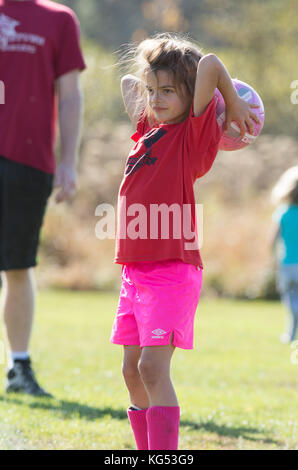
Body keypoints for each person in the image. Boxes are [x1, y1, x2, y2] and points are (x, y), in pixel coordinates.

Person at [110, 32, 260, 450]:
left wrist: (229, 102)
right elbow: (128, 85)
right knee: (131, 372)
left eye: (168, 92)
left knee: (152, 369)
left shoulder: (191, 139)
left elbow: (210, 63)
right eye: (153, 90)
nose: (155, 99)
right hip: (135, 273)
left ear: (193, 96)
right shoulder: (149, 129)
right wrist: (156, 75)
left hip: (171, 272)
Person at [0, 0, 86, 396]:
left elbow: (70, 94)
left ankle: (19, 368)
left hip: (29, 161)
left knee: (18, 266)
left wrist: (68, 160)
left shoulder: (58, 19)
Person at [270, 166, 298, 344]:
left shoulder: (283, 213)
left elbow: (272, 240)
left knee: (291, 301)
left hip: (287, 264)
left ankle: (291, 334)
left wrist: (273, 259)